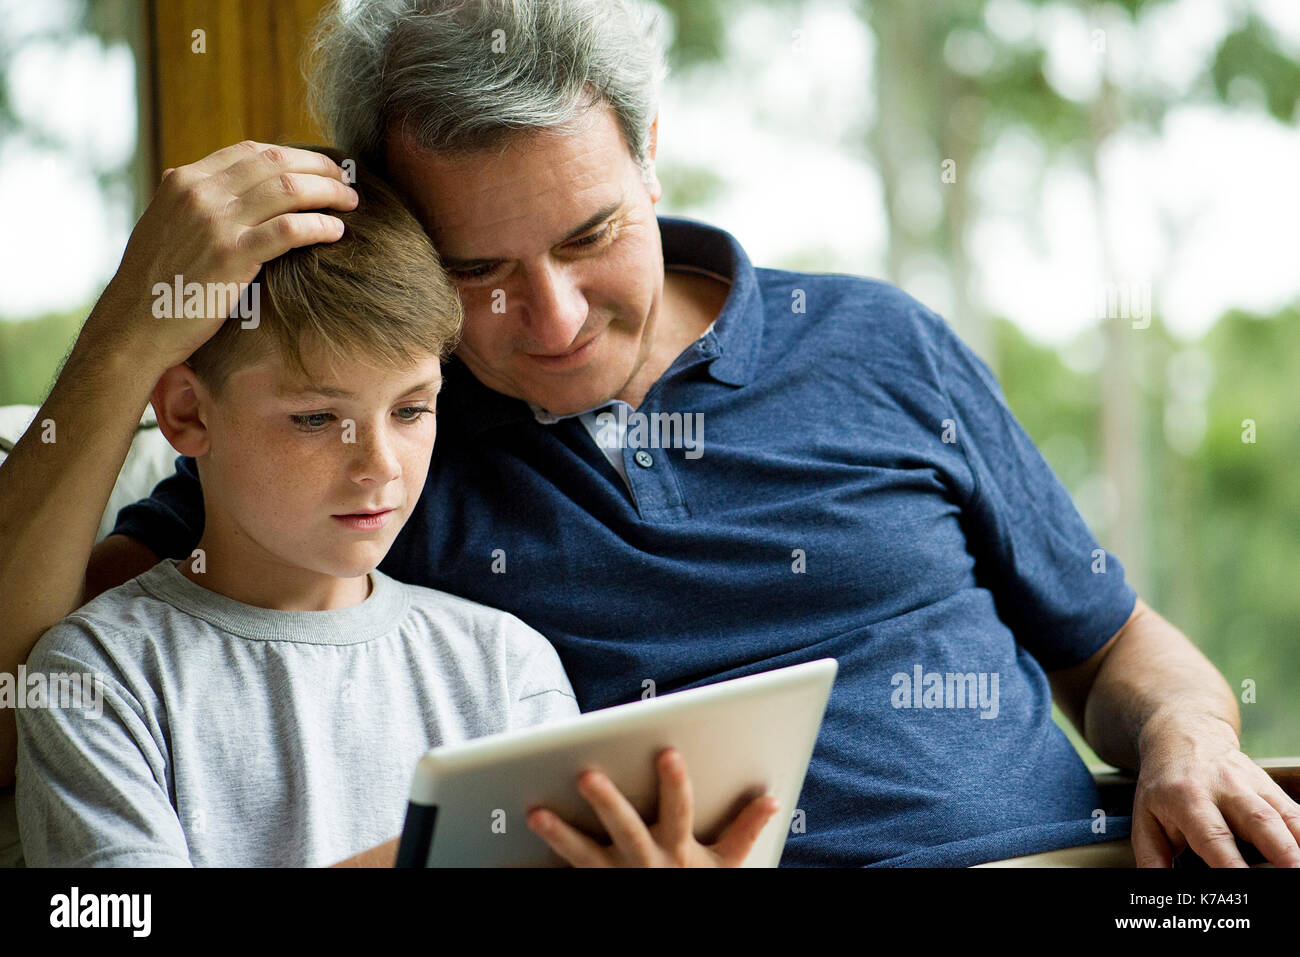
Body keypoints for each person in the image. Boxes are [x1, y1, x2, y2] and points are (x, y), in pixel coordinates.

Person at [2, 0, 1297, 867]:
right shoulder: (374, 446)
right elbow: (24, 687)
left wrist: (1191, 730)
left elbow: (1116, 647)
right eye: (478, 269)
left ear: (653, 158)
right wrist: (132, 323)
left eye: (589, 236)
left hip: (1091, 862)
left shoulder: (879, 344)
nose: (553, 318)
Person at [12, 149, 777, 868]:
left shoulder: (506, 668)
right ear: (186, 413)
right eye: (316, 419)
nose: (379, 464)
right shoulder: (97, 674)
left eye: (412, 411)